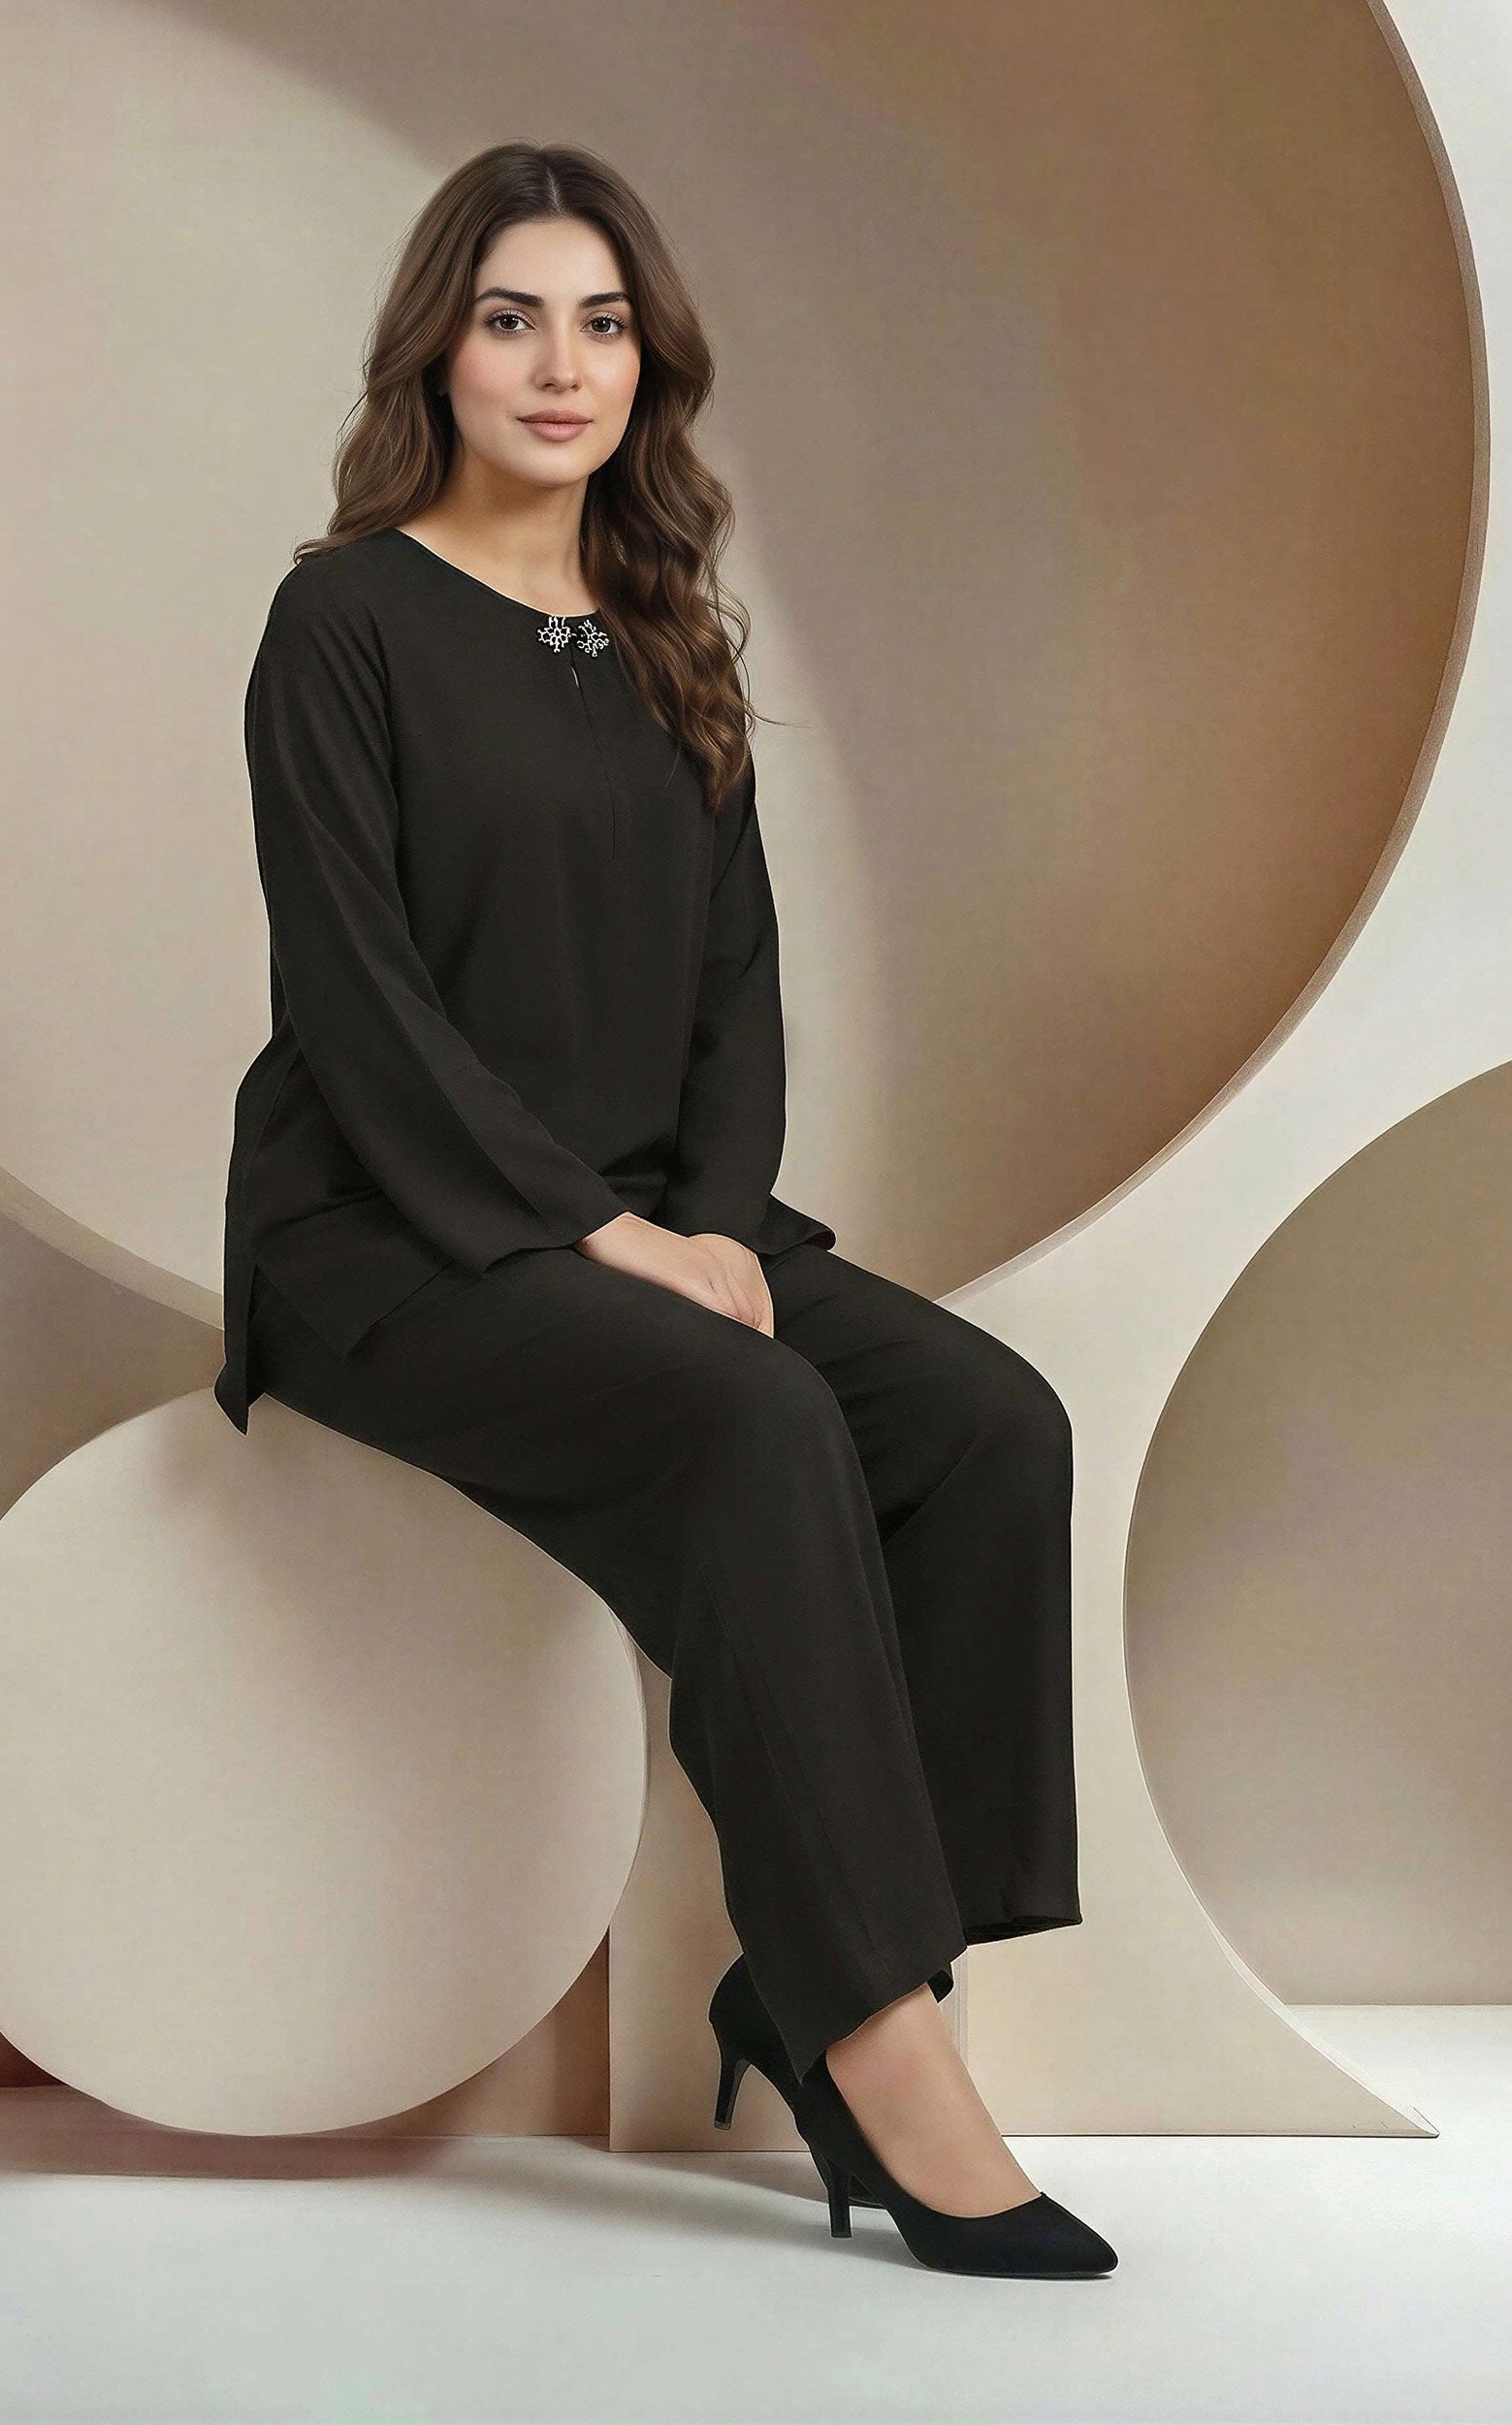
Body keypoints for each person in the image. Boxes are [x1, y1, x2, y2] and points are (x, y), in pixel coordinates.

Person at [214, 140, 1115, 2281]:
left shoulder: (660, 633)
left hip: (642, 1210)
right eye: (511, 317)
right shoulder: (342, 620)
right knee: (758, 1418)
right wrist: (602, 1239)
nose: (560, 364)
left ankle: (834, 1970)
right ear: (438, 351)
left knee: (985, 1426)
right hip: (391, 1230)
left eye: (601, 323)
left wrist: (710, 1221)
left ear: (646, 364)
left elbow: (736, 984)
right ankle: (878, 2040)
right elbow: (355, 1000)